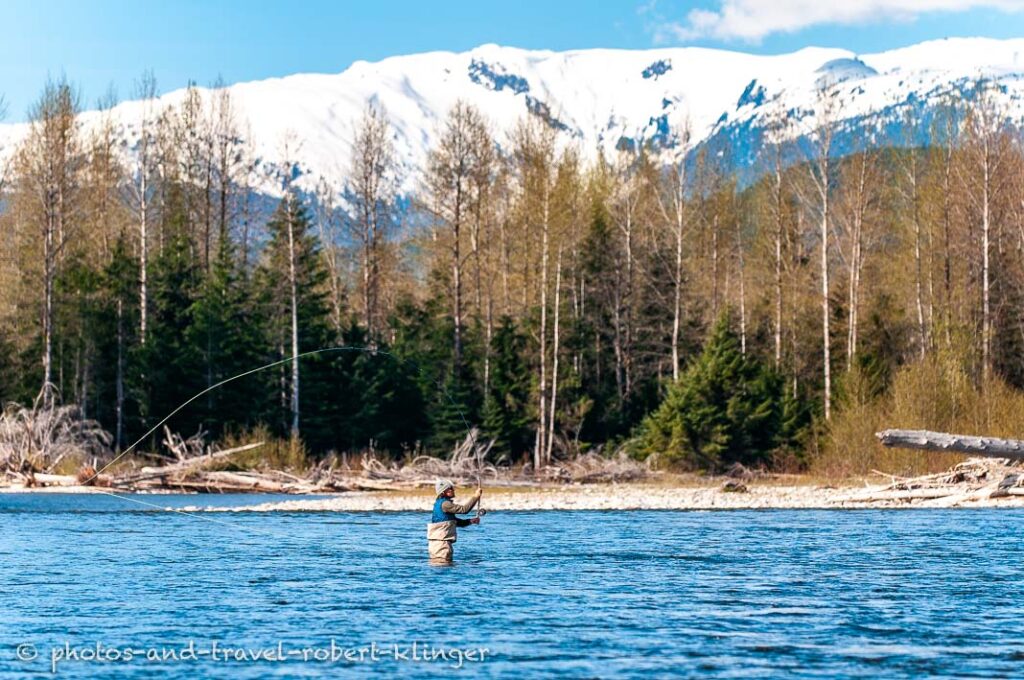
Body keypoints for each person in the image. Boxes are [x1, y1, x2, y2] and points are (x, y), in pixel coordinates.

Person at [427, 479, 482, 563]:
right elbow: (464, 510)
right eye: (451, 489)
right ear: (444, 492)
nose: (453, 490)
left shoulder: (439, 503)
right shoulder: (445, 504)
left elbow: (454, 521)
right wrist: (475, 496)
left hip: (438, 545)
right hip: (441, 545)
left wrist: (470, 521)